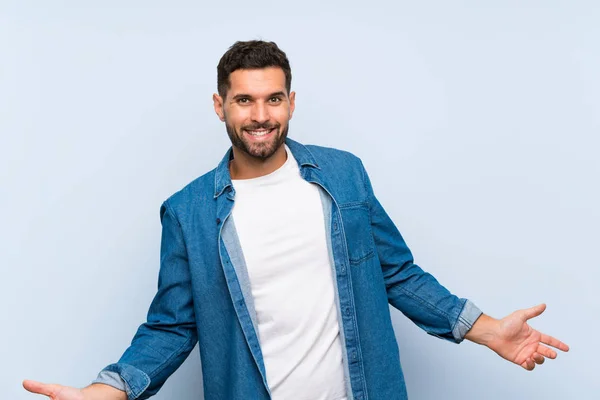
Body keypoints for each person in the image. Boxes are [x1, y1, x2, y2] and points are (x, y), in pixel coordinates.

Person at [23, 40, 569, 400]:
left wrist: (486, 329)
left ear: (290, 102)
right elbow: (173, 324)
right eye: (244, 100)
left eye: (273, 99)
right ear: (220, 106)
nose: (260, 116)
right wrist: (112, 389)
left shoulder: (342, 176)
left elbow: (397, 274)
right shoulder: (188, 211)